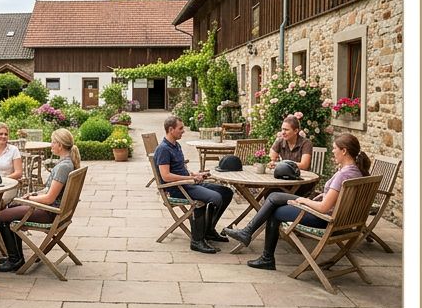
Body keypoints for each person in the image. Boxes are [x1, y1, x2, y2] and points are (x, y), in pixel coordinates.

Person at [238, 134, 371, 270]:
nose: (332, 151)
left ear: (344, 151)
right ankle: (249, 235)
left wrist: (303, 201)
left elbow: (324, 207)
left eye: (334, 148)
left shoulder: (343, 175)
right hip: (343, 221)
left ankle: (264, 255)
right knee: (274, 197)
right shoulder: (357, 172)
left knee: (274, 208)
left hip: (324, 219)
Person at [0, 127, 80, 272]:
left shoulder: (63, 167)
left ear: (60, 145)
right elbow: (49, 192)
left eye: (53, 142)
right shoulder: (67, 163)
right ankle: (15, 256)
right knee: (11, 206)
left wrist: (29, 200)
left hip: (50, 212)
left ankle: (15, 259)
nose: (51, 145)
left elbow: (49, 198)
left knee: (0, 216)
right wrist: (32, 196)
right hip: (57, 211)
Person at [154, 115, 234, 254]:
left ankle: (209, 231)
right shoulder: (163, 149)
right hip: (178, 188)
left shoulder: (176, 145)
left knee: (226, 192)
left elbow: (180, 169)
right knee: (215, 198)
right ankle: (197, 241)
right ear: (171, 129)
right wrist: (188, 178)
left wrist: (194, 175)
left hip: (188, 183)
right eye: (180, 128)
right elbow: (166, 176)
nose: (183, 131)